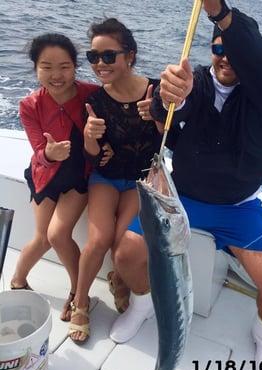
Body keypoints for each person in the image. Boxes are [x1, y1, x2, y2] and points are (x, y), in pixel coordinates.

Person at [149, 0, 262, 370]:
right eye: (217, 48)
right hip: (184, 201)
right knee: (127, 256)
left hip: (238, 208)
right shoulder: (195, 80)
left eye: (233, 49)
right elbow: (172, 120)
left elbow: (257, 57)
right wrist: (165, 103)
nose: (225, 57)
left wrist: (219, 11)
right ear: (209, 50)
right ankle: (143, 305)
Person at [68, 18, 162, 343]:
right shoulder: (95, 101)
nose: (99, 64)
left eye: (109, 56)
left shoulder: (157, 90)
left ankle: (119, 278)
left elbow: (174, 141)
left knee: (123, 245)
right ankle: (80, 302)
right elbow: (93, 156)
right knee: (98, 240)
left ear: (130, 56)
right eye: (93, 57)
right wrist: (89, 137)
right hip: (106, 178)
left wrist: (160, 118)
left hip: (139, 180)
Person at [10, 33, 112, 321]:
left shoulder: (91, 93)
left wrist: (110, 149)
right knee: (42, 238)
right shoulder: (30, 105)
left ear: (75, 66)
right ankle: (17, 281)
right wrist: (50, 154)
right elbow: (38, 151)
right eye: (47, 66)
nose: (56, 75)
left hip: (78, 177)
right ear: (36, 68)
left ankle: (76, 293)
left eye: (64, 66)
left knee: (57, 234)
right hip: (45, 175)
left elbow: (113, 124)